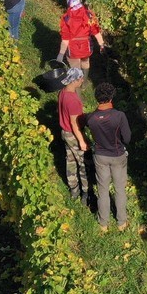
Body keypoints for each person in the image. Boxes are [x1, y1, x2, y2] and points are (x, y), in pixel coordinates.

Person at [88, 82, 131, 231]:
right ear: (112, 97)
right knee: (119, 189)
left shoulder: (91, 118)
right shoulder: (119, 116)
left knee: (102, 190)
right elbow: (127, 138)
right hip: (118, 156)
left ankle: (103, 223)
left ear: (96, 98)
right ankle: (121, 222)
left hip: (100, 156)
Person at [57, 66, 89, 206]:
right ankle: (86, 192)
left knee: (70, 160)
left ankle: (73, 189)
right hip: (73, 134)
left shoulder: (63, 92)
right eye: (80, 78)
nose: (82, 80)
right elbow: (74, 124)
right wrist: (82, 141)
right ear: (75, 80)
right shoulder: (73, 101)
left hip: (64, 131)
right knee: (82, 163)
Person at [57, 0, 105, 74]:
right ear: (79, 0)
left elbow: (65, 39)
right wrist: (101, 45)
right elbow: (96, 32)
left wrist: (61, 53)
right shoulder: (89, 15)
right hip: (86, 47)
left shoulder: (66, 18)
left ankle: (77, 83)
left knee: (75, 67)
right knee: (85, 62)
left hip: (73, 50)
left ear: (68, 3)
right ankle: (85, 81)